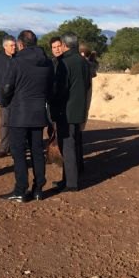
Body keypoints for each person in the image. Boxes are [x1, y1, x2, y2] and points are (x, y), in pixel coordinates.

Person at [0, 30, 54, 202]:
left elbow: (7, 87)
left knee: (19, 152)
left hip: (19, 113)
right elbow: (51, 86)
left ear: (21, 44)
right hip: (39, 112)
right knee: (37, 151)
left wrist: (6, 101)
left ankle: (20, 189)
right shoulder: (47, 62)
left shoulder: (16, 62)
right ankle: (38, 189)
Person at [50, 32, 90, 192]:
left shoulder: (64, 63)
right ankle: (67, 179)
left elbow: (60, 89)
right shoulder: (83, 61)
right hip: (78, 109)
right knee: (72, 144)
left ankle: (71, 183)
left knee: (67, 146)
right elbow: (87, 85)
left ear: (65, 45)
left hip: (65, 111)